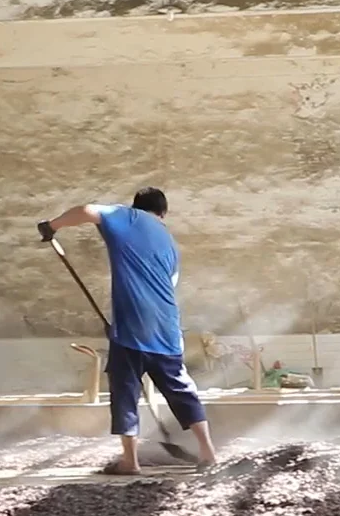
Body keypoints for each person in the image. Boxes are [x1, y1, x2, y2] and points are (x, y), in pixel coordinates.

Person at [38, 187, 216, 474]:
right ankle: (208, 452)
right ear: (163, 213)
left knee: (125, 390)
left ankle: (129, 462)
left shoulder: (129, 217)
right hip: (167, 325)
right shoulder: (169, 243)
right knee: (180, 388)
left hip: (132, 326)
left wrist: (52, 226)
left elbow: (86, 210)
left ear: (138, 207)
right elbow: (169, 285)